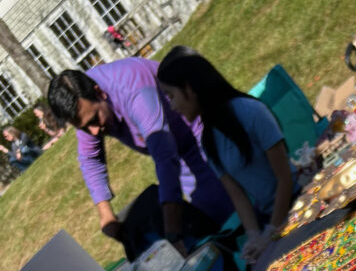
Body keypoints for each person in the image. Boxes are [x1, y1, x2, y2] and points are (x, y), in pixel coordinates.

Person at [47, 59, 234, 258]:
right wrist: (105, 214)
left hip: (206, 128)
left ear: (100, 93)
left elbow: (164, 156)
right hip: (180, 152)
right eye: (84, 127)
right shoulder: (83, 102)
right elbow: (90, 159)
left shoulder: (133, 88)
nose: (93, 132)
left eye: (94, 120)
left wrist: (171, 232)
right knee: (216, 226)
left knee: (237, 211)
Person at [157, 46, 299, 263]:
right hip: (270, 219)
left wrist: (271, 232)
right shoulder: (208, 140)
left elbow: (285, 178)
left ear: (189, 88)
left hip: (298, 205)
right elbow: (238, 196)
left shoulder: (251, 112)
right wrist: (254, 236)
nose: (173, 107)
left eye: (171, 96)